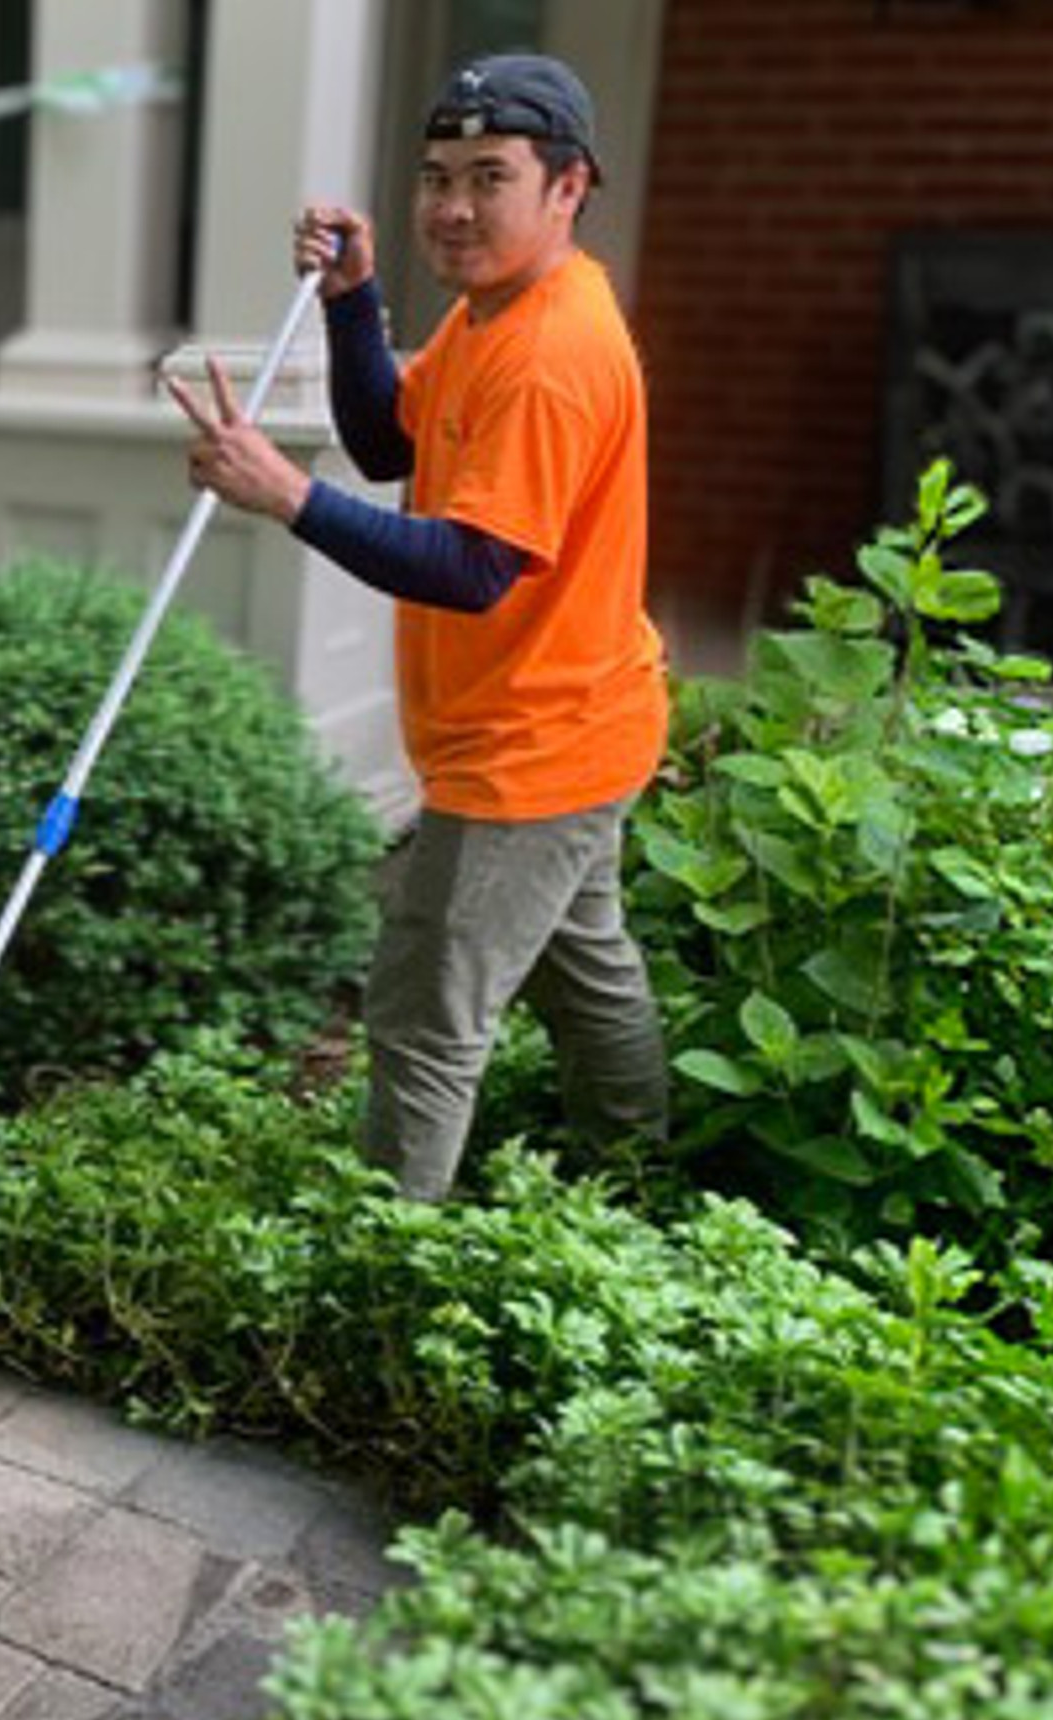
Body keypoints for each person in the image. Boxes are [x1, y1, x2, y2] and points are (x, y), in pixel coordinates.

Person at [165, 51, 669, 1204]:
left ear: (568, 185)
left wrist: (284, 494)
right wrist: (354, 302)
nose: (451, 205)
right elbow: (395, 440)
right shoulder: (502, 311)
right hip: (582, 714)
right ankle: (637, 1184)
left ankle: (381, 1263)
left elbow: (476, 566)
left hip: (530, 748)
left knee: (424, 1017)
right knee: (588, 974)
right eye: (437, 175)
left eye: (489, 177)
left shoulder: (550, 354)